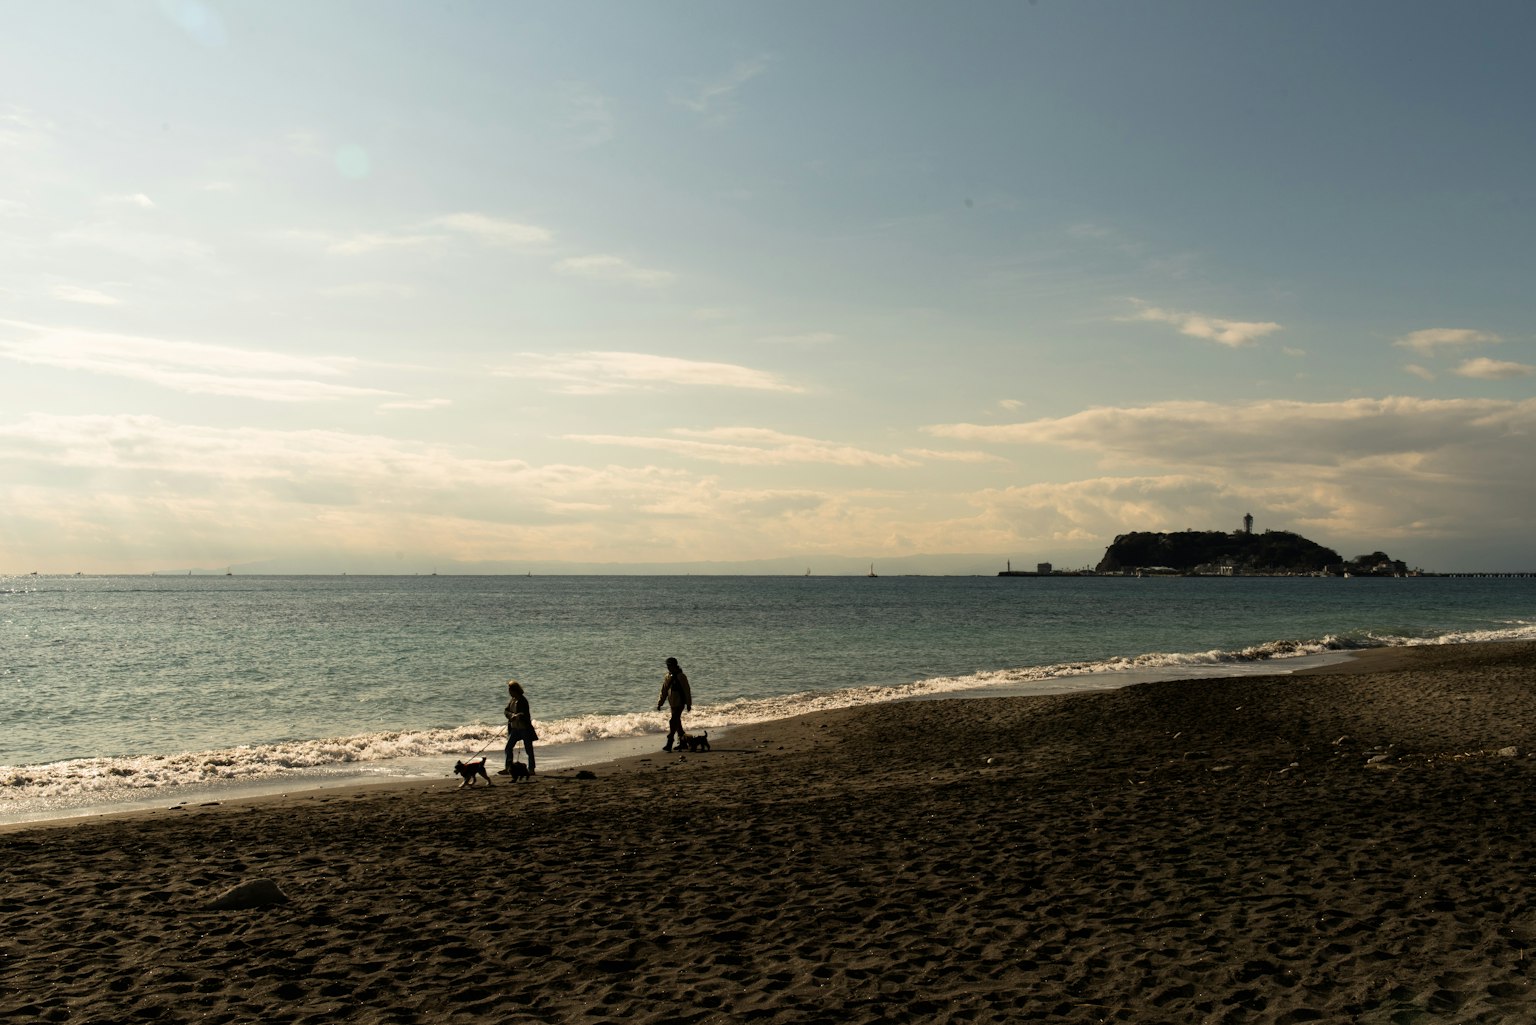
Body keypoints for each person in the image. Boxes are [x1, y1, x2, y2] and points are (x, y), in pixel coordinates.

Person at [499, 679, 537, 776]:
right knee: (508, 748)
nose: (509, 693)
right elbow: (506, 711)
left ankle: (531, 769)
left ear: (514, 690)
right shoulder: (512, 700)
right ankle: (508, 768)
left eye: (510, 691)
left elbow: (524, 714)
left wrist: (518, 716)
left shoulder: (523, 700)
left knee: (529, 750)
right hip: (515, 729)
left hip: (524, 728)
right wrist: (511, 715)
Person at [656, 656, 692, 753]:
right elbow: (664, 690)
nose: (668, 667)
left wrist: (688, 704)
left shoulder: (681, 676)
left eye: (669, 666)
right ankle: (683, 742)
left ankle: (669, 742)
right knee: (677, 723)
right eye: (667, 666)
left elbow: (687, 690)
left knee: (673, 721)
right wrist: (660, 703)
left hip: (680, 703)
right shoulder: (667, 676)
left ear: (674, 665)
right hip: (672, 703)